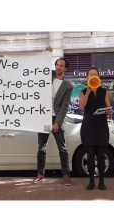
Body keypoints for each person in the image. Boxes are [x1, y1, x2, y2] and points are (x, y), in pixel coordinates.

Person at [32, 57, 73, 186]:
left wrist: (57, 123)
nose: (58, 67)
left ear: (65, 68)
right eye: (57, 65)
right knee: (41, 148)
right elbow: (38, 67)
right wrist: (45, 53)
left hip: (56, 118)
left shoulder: (68, 86)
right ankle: (40, 174)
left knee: (63, 148)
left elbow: (65, 106)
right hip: (43, 117)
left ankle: (66, 175)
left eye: (61, 65)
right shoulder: (48, 76)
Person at [79, 67, 114, 190]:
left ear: (99, 77)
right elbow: (82, 106)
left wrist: (110, 111)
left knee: (100, 154)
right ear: (87, 77)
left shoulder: (104, 92)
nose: (93, 76)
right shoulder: (83, 92)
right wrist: (88, 92)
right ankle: (91, 181)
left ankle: (102, 181)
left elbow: (108, 108)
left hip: (101, 126)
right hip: (88, 126)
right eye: (91, 74)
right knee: (90, 154)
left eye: (95, 74)